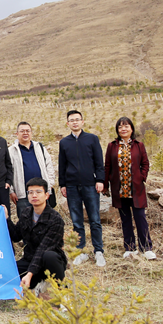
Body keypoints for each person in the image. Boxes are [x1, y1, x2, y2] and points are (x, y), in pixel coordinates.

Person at [58, 110, 106, 267]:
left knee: (95, 220)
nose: (75, 122)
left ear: (82, 122)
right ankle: (81, 251)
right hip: (72, 186)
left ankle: (98, 251)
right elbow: (62, 164)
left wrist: (100, 180)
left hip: (90, 185)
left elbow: (99, 161)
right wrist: (62, 184)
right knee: (77, 221)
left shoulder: (92, 139)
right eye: (71, 120)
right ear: (68, 123)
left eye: (77, 119)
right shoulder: (64, 142)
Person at [104, 117, 155, 260]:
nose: (123, 129)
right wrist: (106, 184)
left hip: (136, 188)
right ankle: (130, 248)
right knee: (125, 219)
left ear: (131, 129)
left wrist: (141, 177)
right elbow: (107, 166)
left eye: (126, 126)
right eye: (120, 127)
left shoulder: (139, 145)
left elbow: (145, 163)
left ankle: (146, 248)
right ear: (117, 130)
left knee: (140, 218)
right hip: (119, 189)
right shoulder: (112, 146)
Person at [5, 177, 67, 294]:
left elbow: (43, 249)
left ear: (47, 195)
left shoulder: (55, 219)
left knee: (49, 256)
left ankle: (63, 292)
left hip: (49, 263)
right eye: (30, 192)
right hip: (30, 260)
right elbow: (16, 236)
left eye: (38, 192)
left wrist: (29, 274)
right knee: (8, 274)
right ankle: (39, 282)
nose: (34, 195)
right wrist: (6, 219)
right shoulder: (26, 213)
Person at [8, 121, 56, 219]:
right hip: (22, 194)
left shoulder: (40, 147)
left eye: (27, 131)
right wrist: (11, 191)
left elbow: (49, 166)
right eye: (22, 131)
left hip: (41, 191)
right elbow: (8, 171)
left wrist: (50, 184)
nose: (25, 133)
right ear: (17, 134)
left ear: (31, 133)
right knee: (25, 221)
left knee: (45, 220)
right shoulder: (11, 151)